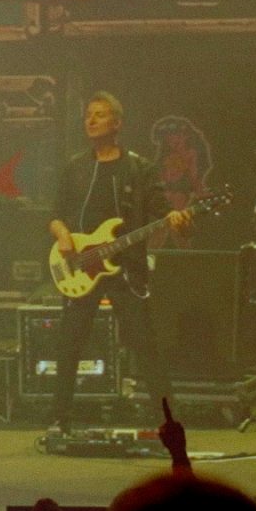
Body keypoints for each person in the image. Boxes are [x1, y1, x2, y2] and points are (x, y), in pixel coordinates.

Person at [45, 93, 190, 432]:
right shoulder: (75, 167)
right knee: (70, 342)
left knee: (144, 343)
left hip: (126, 267)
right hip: (81, 265)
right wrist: (63, 235)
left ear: (117, 124)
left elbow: (160, 210)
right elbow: (55, 214)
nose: (91, 120)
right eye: (88, 114)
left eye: (99, 115)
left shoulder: (138, 168)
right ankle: (58, 417)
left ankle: (168, 420)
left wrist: (177, 219)